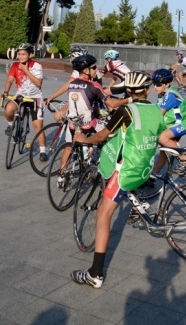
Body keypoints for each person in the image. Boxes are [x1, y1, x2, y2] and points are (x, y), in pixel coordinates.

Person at [71, 71, 165, 288]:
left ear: (128, 92)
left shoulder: (126, 110)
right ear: (148, 90)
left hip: (128, 170)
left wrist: (84, 139)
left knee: (104, 213)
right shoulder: (156, 110)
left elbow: (102, 136)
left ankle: (95, 274)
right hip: (147, 165)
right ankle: (137, 207)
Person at [57, 54, 124, 189]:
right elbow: (112, 103)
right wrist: (129, 100)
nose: (96, 70)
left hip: (72, 124)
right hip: (88, 125)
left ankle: (61, 176)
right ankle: (98, 166)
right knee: (110, 134)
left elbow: (81, 103)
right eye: (93, 68)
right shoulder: (94, 85)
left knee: (68, 147)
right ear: (86, 70)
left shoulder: (72, 84)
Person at [1, 43, 47, 161]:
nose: (20, 56)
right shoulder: (15, 65)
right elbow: (10, 80)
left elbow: (38, 83)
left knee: (38, 126)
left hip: (34, 98)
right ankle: (11, 126)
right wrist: (6, 91)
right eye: (19, 54)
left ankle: (42, 151)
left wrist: (26, 70)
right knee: (8, 108)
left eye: (23, 54)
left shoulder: (37, 66)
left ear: (30, 54)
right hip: (20, 96)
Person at [150, 68, 186, 175]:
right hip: (176, 122)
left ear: (167, 84)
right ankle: (153, 176)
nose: (155, 87)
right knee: (164, 151)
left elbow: (159, 114)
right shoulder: (162, 93)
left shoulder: (170, 95)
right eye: (154, 84)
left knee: (163, 137)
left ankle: (185, 159)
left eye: (158, 84)